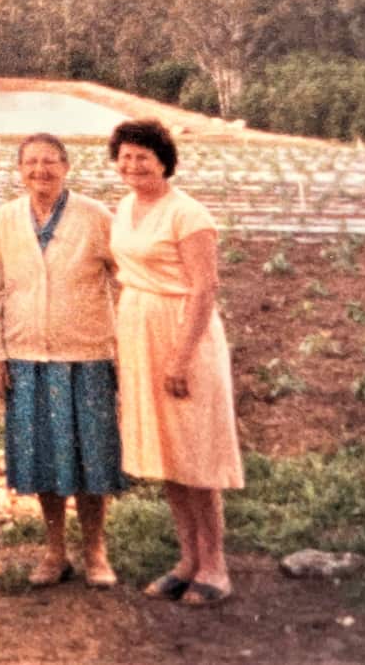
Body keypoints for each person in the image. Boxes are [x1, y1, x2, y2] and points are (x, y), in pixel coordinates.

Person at [107, 119, 243, 606]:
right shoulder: (123, 208)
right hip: (139, 332)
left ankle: (215, 566)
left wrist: (181, 358)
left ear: (164, 159)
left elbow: (205, 288)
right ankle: (187, 560)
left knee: (196, 455)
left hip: (184, 335)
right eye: (124, 156)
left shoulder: (189, 214)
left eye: (142, 156)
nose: (133, 165)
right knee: (168, 454)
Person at [0, 133, 125, 589]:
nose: (39, 171)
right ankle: (55, 551)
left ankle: (96, 553)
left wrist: (127, 343)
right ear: (19, 170)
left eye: (49, 162)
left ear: (66, 167)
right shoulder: (5, 218)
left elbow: (127, 277)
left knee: (91, 458)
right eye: (30, 163)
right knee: (41, 458)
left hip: (86, 355)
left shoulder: (95, 216)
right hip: (26, 357)